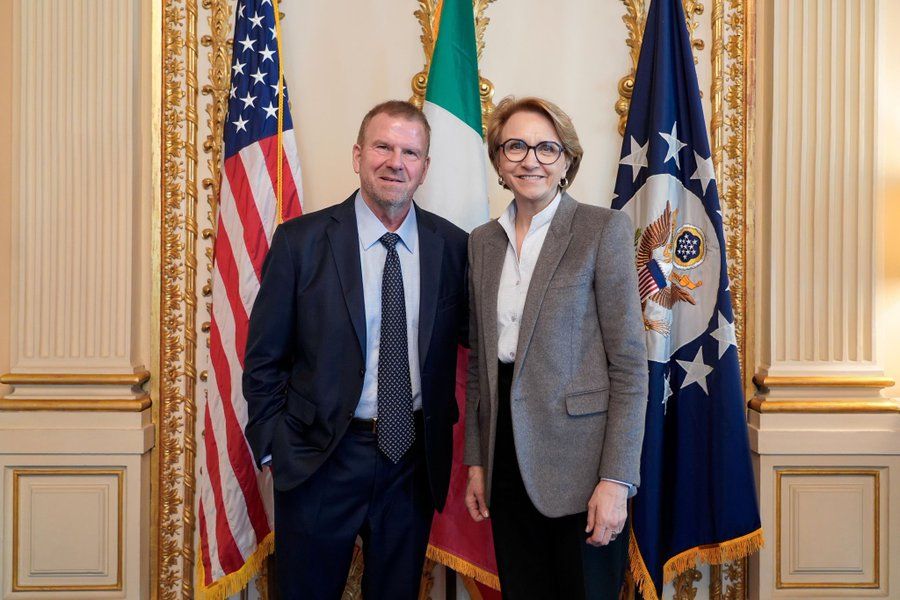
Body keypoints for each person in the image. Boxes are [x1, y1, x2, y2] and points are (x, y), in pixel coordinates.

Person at [243, 100, 468, 600]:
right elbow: (263, 358)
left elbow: (484, 341)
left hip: (410, 463)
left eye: (410, 152)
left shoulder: (452, 247)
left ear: (425, 167)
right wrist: (273, 444)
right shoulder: (301, 242)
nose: (396, 162)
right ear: (357, 154)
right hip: (319, 458)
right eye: (383, 146)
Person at [463, 96, 648, 599]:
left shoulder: (601, 229)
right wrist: (477, 461)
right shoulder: (482, 242)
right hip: (505, 458)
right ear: (499, 160)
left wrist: (616, 480)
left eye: (547, 148)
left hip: (583, 465)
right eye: (516, 146)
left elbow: (630, 366)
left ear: (567, 160)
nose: (531, 160)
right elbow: (482, 364)